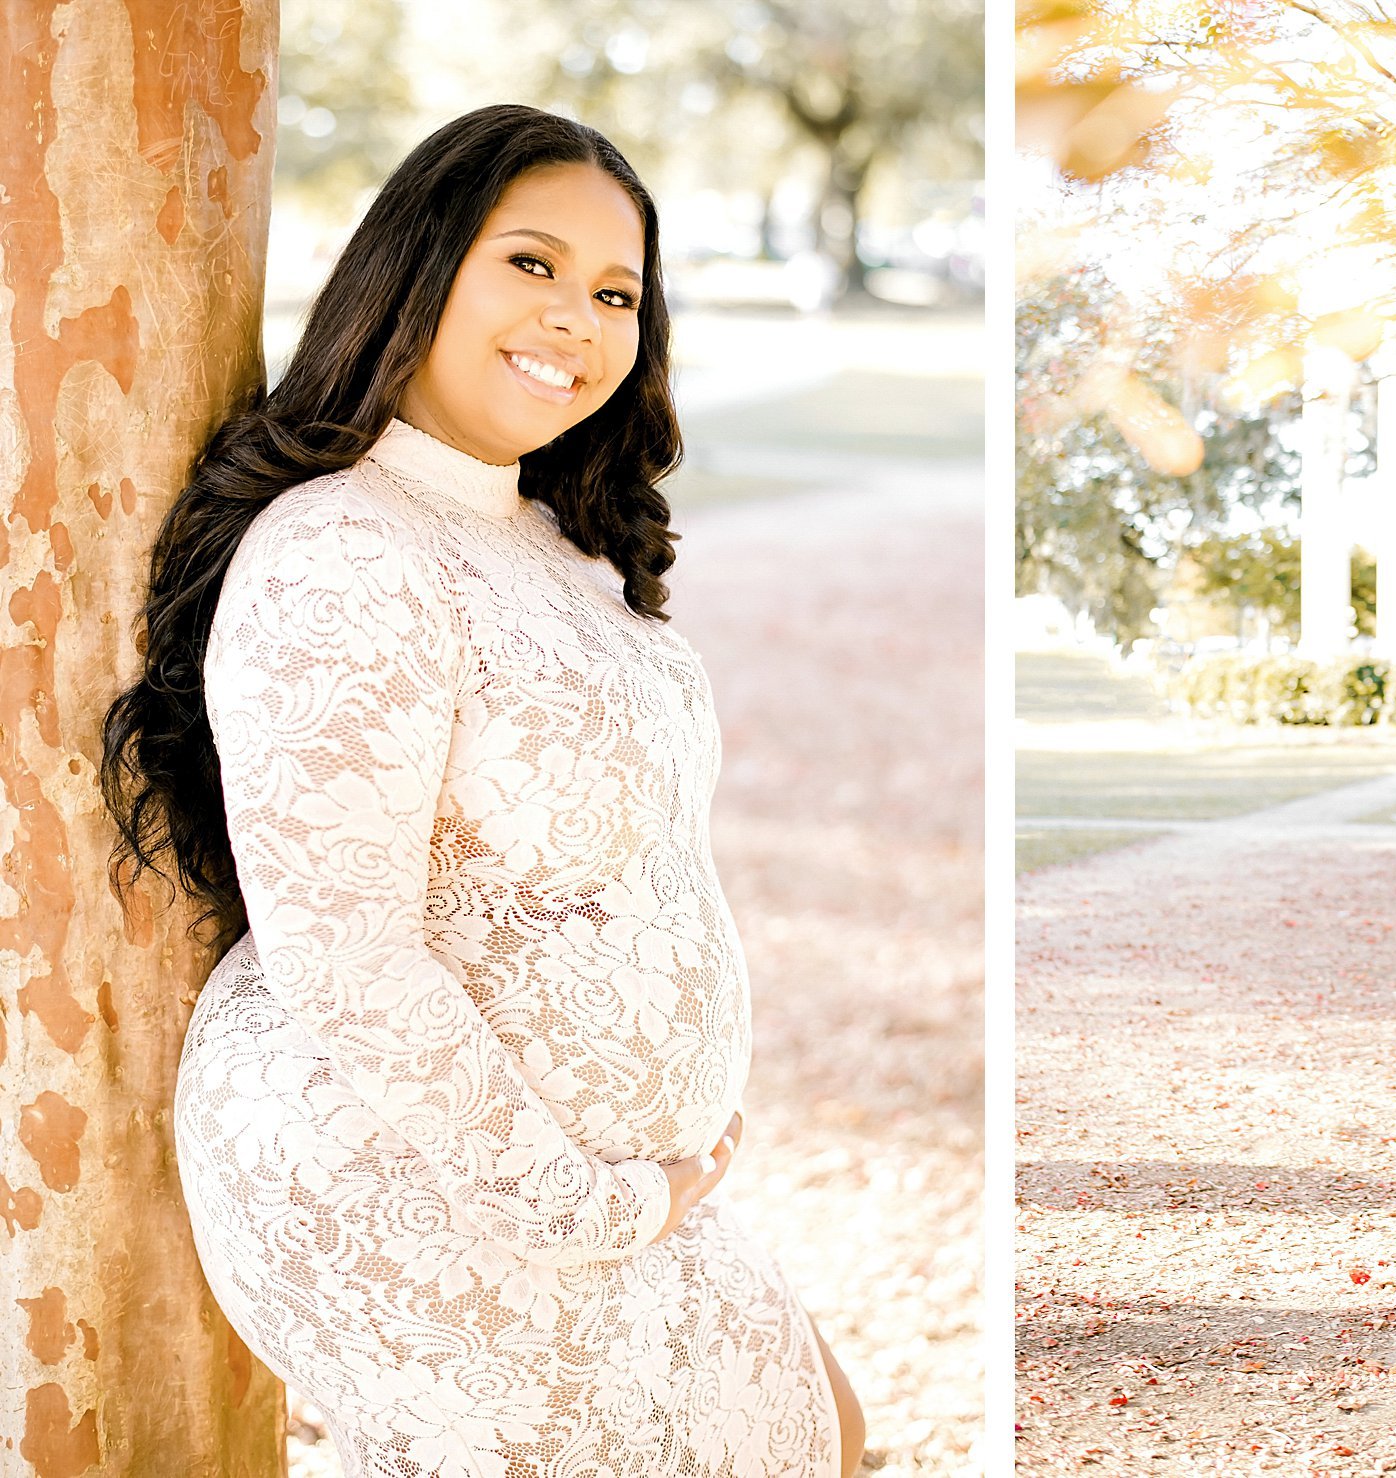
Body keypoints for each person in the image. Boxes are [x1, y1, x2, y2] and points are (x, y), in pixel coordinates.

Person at [99, 105, 863, 1476]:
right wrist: (587, 1201)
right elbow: (346, 958)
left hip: (623, 1196)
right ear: (421, 264)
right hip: (426, 1179)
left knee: (824, 1431)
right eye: (531, 264)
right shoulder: (346, 545)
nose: (574, 315)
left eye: (614, 292)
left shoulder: (546, 541)